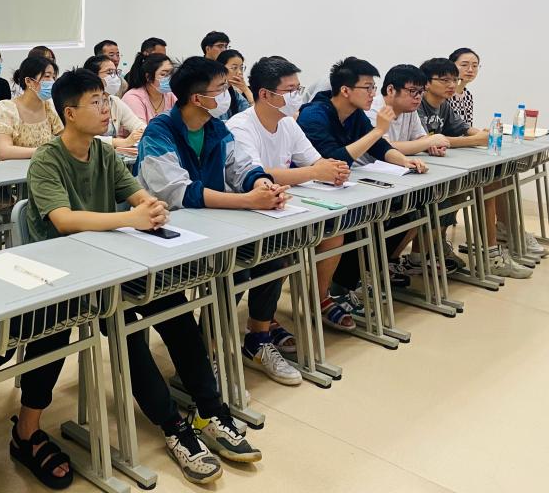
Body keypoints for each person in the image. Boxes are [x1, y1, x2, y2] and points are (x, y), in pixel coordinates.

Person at [26, 68, 260, 486]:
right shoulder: (47, 159)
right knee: (127, 329)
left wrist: (150, 206)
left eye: (105, 100)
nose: (106, 108)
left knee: (174, 305)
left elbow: (137, 194)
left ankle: (210, 409)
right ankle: (173, 427)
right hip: (70, 278)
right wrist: (130, 217)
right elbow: (63, 220)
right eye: (96, 102)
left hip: (115, 264)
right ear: (70, 113)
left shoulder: (103, 154)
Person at [135, 57, 300, 385]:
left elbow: (241, 166)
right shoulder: (160, 131)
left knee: (273, 252)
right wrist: (247, 201)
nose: (229, 94)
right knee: (232, 267)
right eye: (221, 88)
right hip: (168, 231)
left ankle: (256, 341)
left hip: (210, 227)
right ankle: (201, 356)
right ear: (198, 98)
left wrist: (261, 185)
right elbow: (178, 192)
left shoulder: (216, 128)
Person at [226, 56, 357, 343]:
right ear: (265, 94)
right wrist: (315, 171)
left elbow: (314, 161)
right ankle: (262, 319)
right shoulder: (241, 126)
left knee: (334, 230)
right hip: (249, 208)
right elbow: (256, 173)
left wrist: (332, 170)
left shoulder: (288, 123)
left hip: (285, 203)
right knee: (285, 246)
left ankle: (319, 298)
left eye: (298, 89)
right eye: (290, 90)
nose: (297, 96)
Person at [297, 58, 430, 320]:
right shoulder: (314, 115)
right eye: (367, 88)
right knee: (353, 223)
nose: (372, 94)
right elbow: (334, 160)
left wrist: (404, 161)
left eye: (373, 87)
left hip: (339, 187)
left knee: (404, 210)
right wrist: (379, 130)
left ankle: (352, 280)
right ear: (345, 90)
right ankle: (329, 292)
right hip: (310, 192)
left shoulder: (354, 114)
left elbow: (379, 148)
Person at [417, 58, 532, 277]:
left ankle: (487, 250)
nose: (452, 85)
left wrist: (483, 135)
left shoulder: (444, 104)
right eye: (445, 80)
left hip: (441, 166)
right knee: (478, 186)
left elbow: (462, 128)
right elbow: (429, 141)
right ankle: (437, 250)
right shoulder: (418, 106)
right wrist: (475, 140)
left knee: (488, 182)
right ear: (427, 83)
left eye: (454, 80)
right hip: (423, 171)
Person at [370, 65, 451, 284]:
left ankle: (391, 259)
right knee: (416, 203)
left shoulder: (410, 110)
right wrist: (427, 142)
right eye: (412, 91)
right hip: (373, 176)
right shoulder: (373, 110)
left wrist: (430, 145)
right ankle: (378, 264)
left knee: (434, 198)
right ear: (390, 90)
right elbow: (383, 147)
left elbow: (420, 138)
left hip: (399, 174)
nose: (418, 98)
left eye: (420, 92)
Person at [0, 56, 62, 162]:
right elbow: (4, 151)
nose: (52, 81)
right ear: (28, 81)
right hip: (8, 168)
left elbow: (66, 138)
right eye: (47, 76)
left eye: (53, 77)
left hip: (39, 165)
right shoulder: (6, 108)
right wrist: (44, 151)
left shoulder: (49, 108)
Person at [83, 55, 145, 151]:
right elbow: (84, 137)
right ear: (93, 76)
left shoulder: (114, 101)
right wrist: (122, 142)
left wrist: (140, 133)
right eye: (109, 72)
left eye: (116, 72)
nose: (115, 77)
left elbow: (138, 125)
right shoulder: (83, 103)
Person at [121, 52, 175, 125]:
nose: (169, 78)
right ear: (148, 77)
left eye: (171, 73)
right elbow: (141, 130)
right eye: (163, 74)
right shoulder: (133, 98)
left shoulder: (170, 95)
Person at [216, 49, 253, 119]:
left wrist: (245, 89)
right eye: (234, 68)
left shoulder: (234, 93)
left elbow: (253, 114)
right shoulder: (213, 94)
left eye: (241, 68)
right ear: (221, 68)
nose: (239, 72)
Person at [447, 47, 479, 126]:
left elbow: (468, 126)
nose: (470, 70)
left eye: (475, 66)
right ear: (451, 66)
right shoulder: (444, 93)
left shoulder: (468, 95)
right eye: (464, 65)